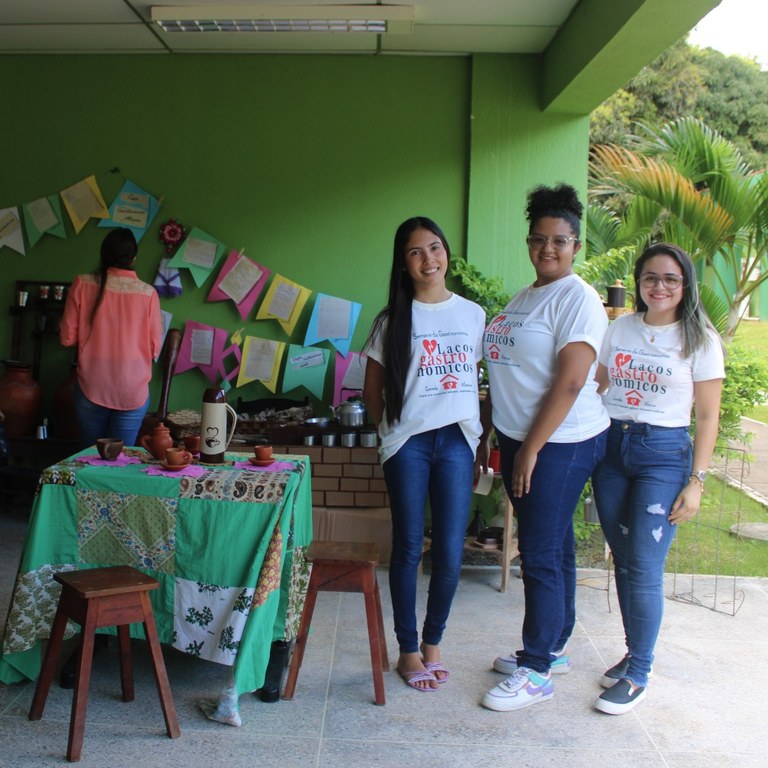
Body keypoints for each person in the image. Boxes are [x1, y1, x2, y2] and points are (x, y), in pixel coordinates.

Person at [479, 183, 609, 712]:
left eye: (560, 240)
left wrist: (531, 448)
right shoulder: (526, 295)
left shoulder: (577, 298)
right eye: (538, 239)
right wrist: (496, 432)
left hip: (561, 442)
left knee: (538, 552)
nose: (548, 248)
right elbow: (509, 370)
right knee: (552, 546)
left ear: (576, 245)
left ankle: (535, 670)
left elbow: (572, 382)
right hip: (520, 438)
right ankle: (552, 648)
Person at [591, 242, 724, 715]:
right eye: (650, 278)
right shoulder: (619, 328)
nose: (660, 286)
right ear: (638, 282)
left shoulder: (699, 339)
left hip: (662, 454)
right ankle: (632, 653)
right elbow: (598, 384)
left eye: (670, 279)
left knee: (645, 564)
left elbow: (708, 417)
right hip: (610, 448)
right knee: (624, 559)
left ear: (685, 285)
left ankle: (641, 672)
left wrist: (697, 480)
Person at [363, 217, 485, 692]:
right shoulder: (392, 320)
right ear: (404, 263)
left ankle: (434, 643)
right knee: (410, 546)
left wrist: (481, 438)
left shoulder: (472, 315)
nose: (429, 259)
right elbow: (372, 392)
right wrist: (393, 431)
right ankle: (408, 650)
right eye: (416, 252)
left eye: (435, 248)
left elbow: (480, 380)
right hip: (408, 444)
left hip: (457, 439)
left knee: (451, 550)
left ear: (446, 252)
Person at [60, 227, 162, 448]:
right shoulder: (148, 293)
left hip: (92, 385)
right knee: (120, 462)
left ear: (103, 254)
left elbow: (67, 338)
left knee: (88, 458)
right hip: (132, 389)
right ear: (133, 258)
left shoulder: (82, 284)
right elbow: (155, 349)